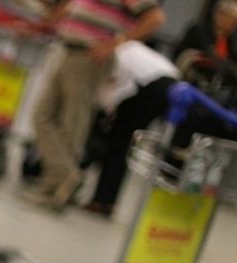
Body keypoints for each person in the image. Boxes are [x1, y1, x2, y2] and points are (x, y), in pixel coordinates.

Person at [25, 0, 166, 211]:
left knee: (72, 123)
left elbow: (155, 18)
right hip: (69, 49)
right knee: (42, 115)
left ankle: (58, 187)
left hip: (88, 56)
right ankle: (64, 176)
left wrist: (116, 42)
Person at [83, 41, 179, 217]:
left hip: (147, 86)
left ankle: (102, 201)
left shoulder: (114, 54)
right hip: (171, 85)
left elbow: (114, 89)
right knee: (126, 145)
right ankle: (107, 201)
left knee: (119, 143)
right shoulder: (130, 47)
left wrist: (108, 110)